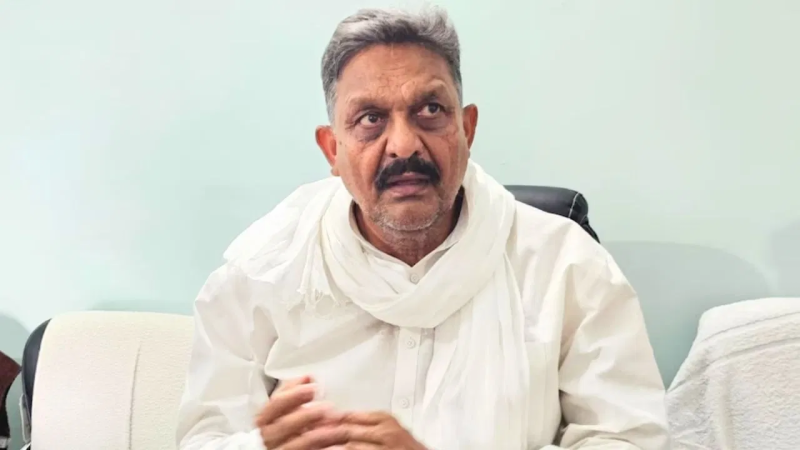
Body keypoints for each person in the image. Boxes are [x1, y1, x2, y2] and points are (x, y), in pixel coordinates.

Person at [176, 7, 670, 450]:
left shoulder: (567, 268)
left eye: (430, 110)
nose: (403, 145)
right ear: (333, 149)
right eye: (370, 118)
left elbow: (629, 439)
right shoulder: (258, 275)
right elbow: (204, 439)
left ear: (467, 129)